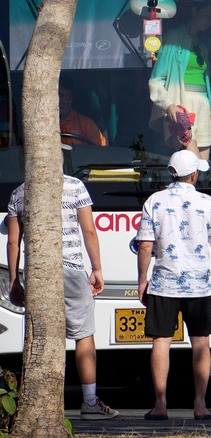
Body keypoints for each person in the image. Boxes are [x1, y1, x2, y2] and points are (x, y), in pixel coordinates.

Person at [6, 144, 117, 420]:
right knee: (83, 335)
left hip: (38, 272)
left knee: (41, 334)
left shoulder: (19, 193)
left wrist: (13, 281)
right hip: (71, 269)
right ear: (61, 160)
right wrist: (98, 268)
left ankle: (38, 404)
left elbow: (12, 241)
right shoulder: (75, 186)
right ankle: (90, 402)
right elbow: (89, 230)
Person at [136, 150, 211, 421]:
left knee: (161, 341)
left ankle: (160, 403)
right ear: (195, 174)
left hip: (164, 282)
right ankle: (200, 404)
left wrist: (143, 280)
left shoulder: (154, 201)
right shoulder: (207, 202)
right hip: (200, 284)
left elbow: (145, 246)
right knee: (201, 343)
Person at [148, 2, 211, 159]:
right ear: (195, 11)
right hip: (182, 106)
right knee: (190, 164)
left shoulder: (203, 46)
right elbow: (156, 80)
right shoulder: (174, 37)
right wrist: (170, 107)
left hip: (204, 106)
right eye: (208, 16)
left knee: (203, 167)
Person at [59, 76, 107, 146]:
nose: (65, 101)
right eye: (60, 95)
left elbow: (100, 150)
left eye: (69, 96)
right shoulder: (42, 123)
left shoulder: (86, 124)